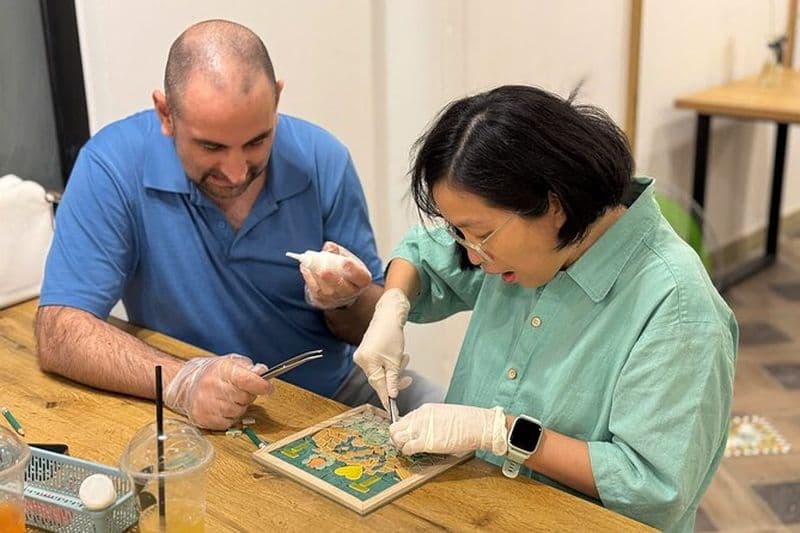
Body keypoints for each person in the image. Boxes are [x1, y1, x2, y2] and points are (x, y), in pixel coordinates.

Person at [353, 85, 737, 532]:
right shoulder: (530, 248)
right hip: (475, 512)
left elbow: (653, 488)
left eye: (479, 233)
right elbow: (422, 254)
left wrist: (503, 433)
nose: (473, 256)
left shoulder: (677, 308)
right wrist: (393, 303)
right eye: (459, 232)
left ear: (554, 205)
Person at [36, 19, 404, 430]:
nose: (235, 172)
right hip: (192, 414)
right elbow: (60, 331)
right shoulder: (113, 165)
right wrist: (183, 382)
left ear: (277, 100)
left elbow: (371, 326)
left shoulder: (323, 160)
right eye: (211, 146)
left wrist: (345, 300)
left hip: (330, 398)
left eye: (256, 142)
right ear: (166, 114)